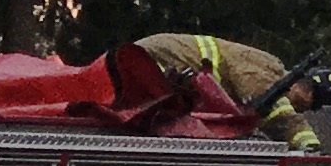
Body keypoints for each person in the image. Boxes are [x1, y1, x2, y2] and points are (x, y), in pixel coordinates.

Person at [135, 32, 320, 148]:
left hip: (155, 67)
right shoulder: (267, 67)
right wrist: (309, 144)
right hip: (155, 60)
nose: (302, 109)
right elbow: (275, 110)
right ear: (305, 87)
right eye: (310, 103)